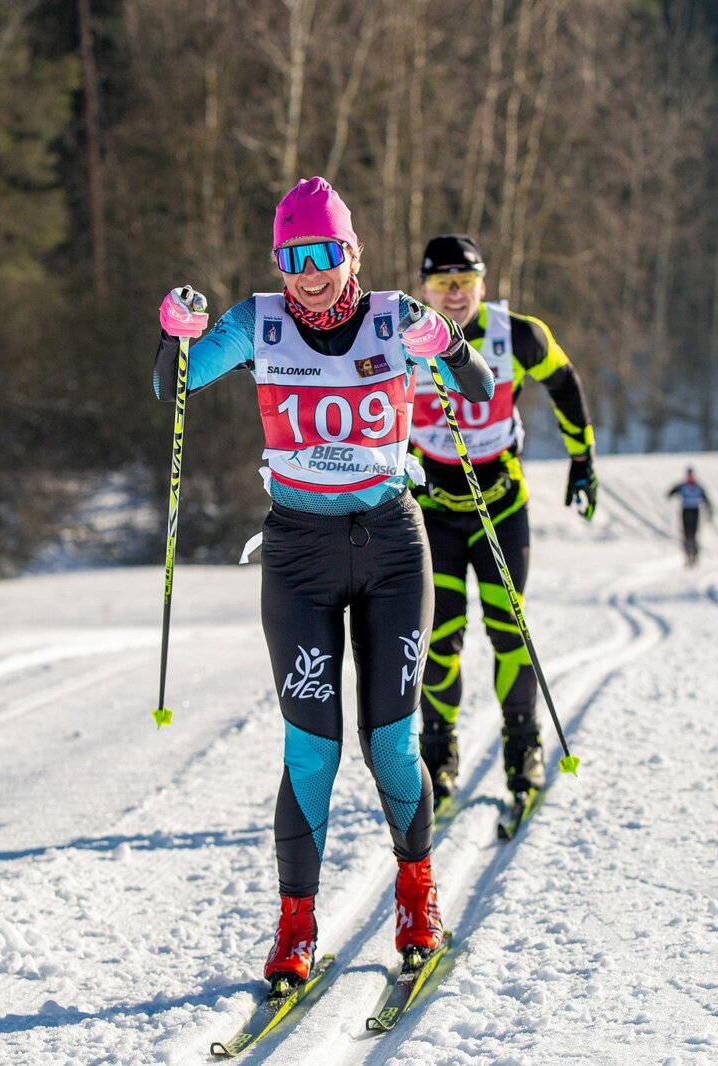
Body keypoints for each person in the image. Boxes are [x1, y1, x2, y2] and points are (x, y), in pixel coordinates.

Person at [152, 178, 495, 991]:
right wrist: (174, 334)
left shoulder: (394, 317)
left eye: (325, 255)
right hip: (299, 557)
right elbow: (174, 387)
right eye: (294, 257)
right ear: (279, 261)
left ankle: (417, 896)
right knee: (311, 750)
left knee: (391, 744)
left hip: (393, 550)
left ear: (353, 254)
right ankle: (295, 925)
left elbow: (478, 389)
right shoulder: (257, 323)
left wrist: (446, 341)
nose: (310, 274)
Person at [409, 234, 597, 807]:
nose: (455, 294)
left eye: (464, 282)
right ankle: (437, 757)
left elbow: (564, 383)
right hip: (435, 510)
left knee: (509, 628)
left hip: (500, 504)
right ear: (425, 290)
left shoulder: (518, 334)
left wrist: (582, 460)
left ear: (483, 285)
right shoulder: (400, 336)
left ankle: (523, 749)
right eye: (442, 283)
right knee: (438, 637)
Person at [667, 466, 713, 566]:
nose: (690, 477)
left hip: (695, 511)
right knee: (686, 534)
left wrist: (708, 509)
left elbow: (705, 499)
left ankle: (695, 555)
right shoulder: (682, 486)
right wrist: (671, 493)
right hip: (685, 510)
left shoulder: (698, 487)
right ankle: (687, 556)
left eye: (691, 476)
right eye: (688, 476)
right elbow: (672, 492)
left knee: (693, 534)